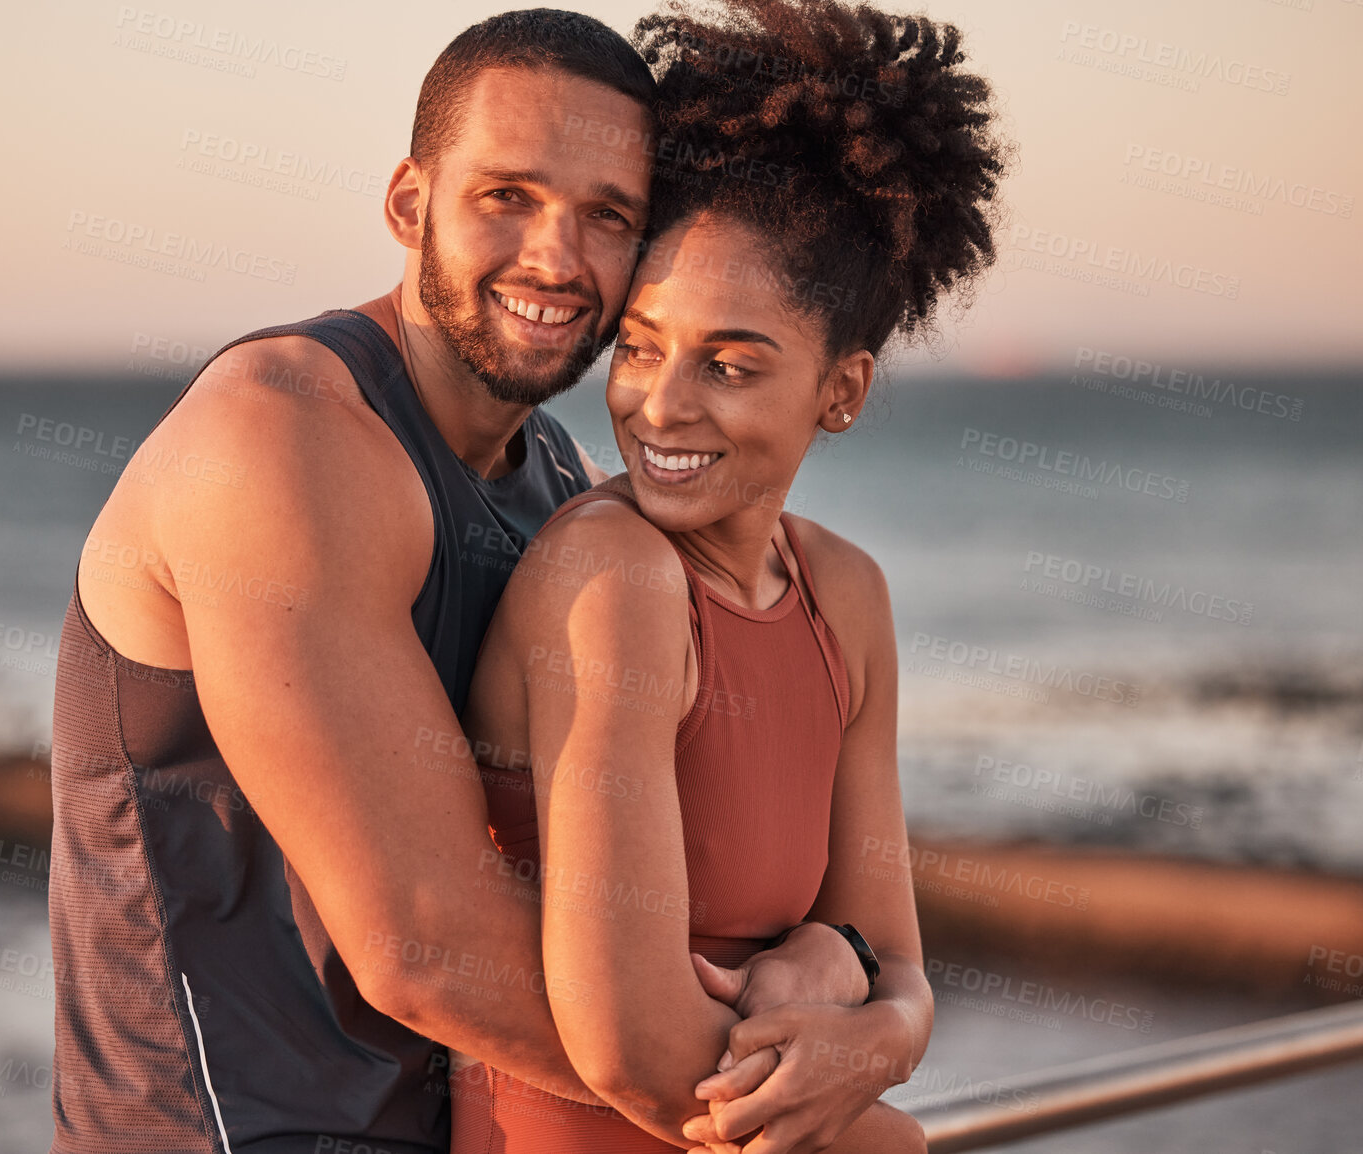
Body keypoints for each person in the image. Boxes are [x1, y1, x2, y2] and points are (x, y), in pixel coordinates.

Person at [47, 10, 885, 1153]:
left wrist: (849, 966)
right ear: (410, 203)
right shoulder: (278, 439)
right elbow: (422, 942)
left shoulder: (563, 487)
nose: (555, 256)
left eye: (607, 216)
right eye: (507, 197)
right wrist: (816, 1098)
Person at [449, 1, 1007, 1150]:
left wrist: (853, 979)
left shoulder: (845, 600)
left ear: (840, 392)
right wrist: (880, 1094)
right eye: (641, 344)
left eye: (731, 364)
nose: (660, 404)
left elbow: (900, 968)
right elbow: (636, 1051)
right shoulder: (612, 576)